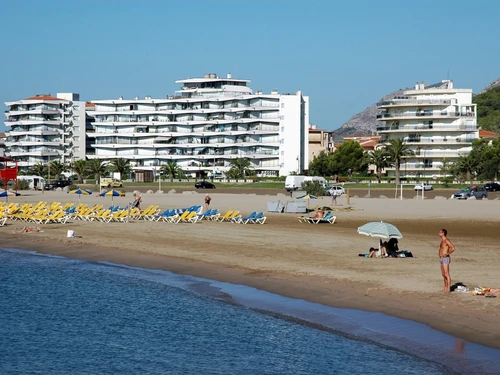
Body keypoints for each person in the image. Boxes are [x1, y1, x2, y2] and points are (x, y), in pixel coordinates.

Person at [438, 228, 455, 293]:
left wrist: (447, 253)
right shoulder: (442, 241)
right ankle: (445, 288)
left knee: (446, 274)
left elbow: (453, 248)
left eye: (440, 232)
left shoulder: (446, 240)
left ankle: (448, 289)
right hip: (442, 258)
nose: (439, 233)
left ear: (443, 233)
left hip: (445, 258)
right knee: (443, 274)